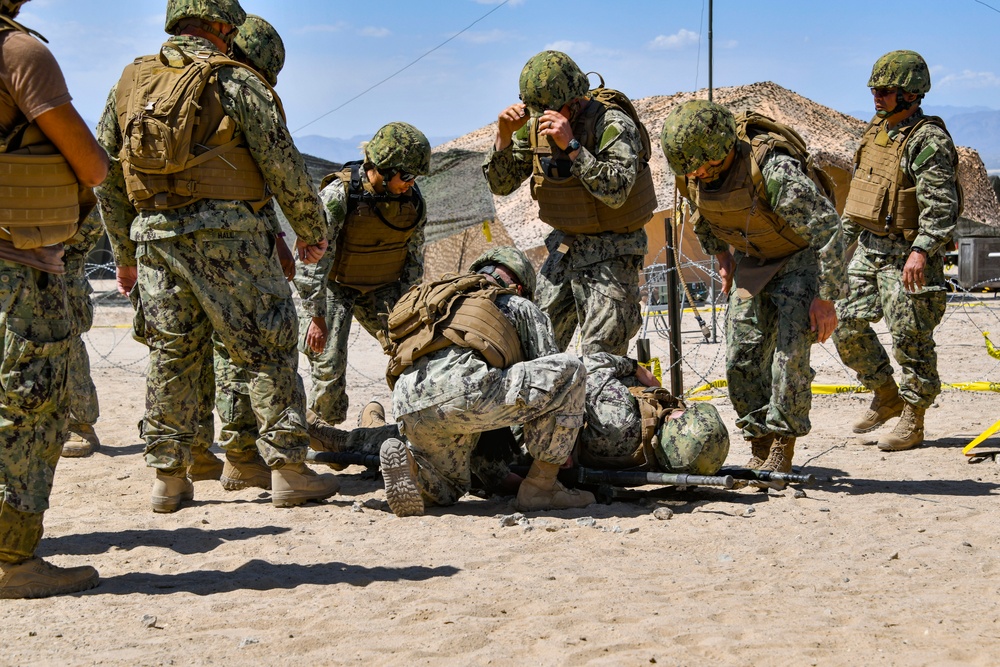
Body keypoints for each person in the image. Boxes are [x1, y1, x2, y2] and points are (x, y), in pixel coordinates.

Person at [95, 0, 339, 512]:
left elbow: (108, 180)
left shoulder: (129, 84)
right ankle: (289, 471)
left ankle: (169, 478)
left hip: (155, 239)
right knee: (266, 347)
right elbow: (282, 163)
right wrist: (311, 230)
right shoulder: (236, 81)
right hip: (232, 238)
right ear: (222, 26)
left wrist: (124, 253)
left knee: (172, 355)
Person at [660, 100, 845, 476]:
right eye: (690, 168)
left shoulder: (774, 170)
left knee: (788, 357)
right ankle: (758, 440)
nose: (695, 174)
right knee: (740, 357)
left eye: (701, 166)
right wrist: (722, 258)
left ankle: (782, 443)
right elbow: (701, 215)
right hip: (752, 260)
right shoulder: (692, 174)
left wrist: (825, 298)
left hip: (798, 257)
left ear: (721, 152)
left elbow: (828, 230)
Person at [0, 0, 109, 598]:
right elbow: (91, 164)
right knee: (28, 414)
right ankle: (11, 561)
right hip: (15, 269)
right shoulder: (19, 52)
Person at [377, 246, 594, 516]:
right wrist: (561, 446)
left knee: (449, 486)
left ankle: (414, 468)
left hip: (408, 401)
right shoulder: (517, 303)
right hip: (464, 393)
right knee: (572, 370)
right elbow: (551, 382)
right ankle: (542, 487)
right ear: (519, 285)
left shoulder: (446, 301)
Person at [483, 50, 657, 356]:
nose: (540, 116)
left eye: (547, 108)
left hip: (613, 252)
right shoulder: (538, 125)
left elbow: (617, 191)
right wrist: (504, 137)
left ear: (574, 100)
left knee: (601, 357)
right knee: (533, 344)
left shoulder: (612, 123)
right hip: (566, 248)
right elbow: (502, 184)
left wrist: (573, 148)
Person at [833, 50, 961, 452]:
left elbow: (941, 207)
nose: (877, 96)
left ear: (910, 94)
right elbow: (864, 195)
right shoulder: (877, 132)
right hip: (869, 249)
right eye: (875, 89)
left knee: (911, 337)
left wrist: (922, 251)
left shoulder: (928, 140)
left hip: (908, 254)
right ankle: (885, 394)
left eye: (886, 90)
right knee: (844, 323)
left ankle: (913, 417)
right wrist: (837, 244)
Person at [294, 121, 429, 426]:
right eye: (405, 176)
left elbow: (413, 257)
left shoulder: (413, 201)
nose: (410, 183)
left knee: (415, 349)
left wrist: (410, 308)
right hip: (335, 286)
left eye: (414, 177)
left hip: (382, 286)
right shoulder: (340, 194)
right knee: (327, 364)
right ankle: (326, 431)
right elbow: (313, 260)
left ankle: (419, 424)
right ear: (382, 167)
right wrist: (315, 315)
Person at [60, 209, 105, 458]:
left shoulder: (53, 172)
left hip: (60, 269)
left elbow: (92, 223)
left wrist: (53, 243)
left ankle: (80, 425)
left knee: (68, 348)